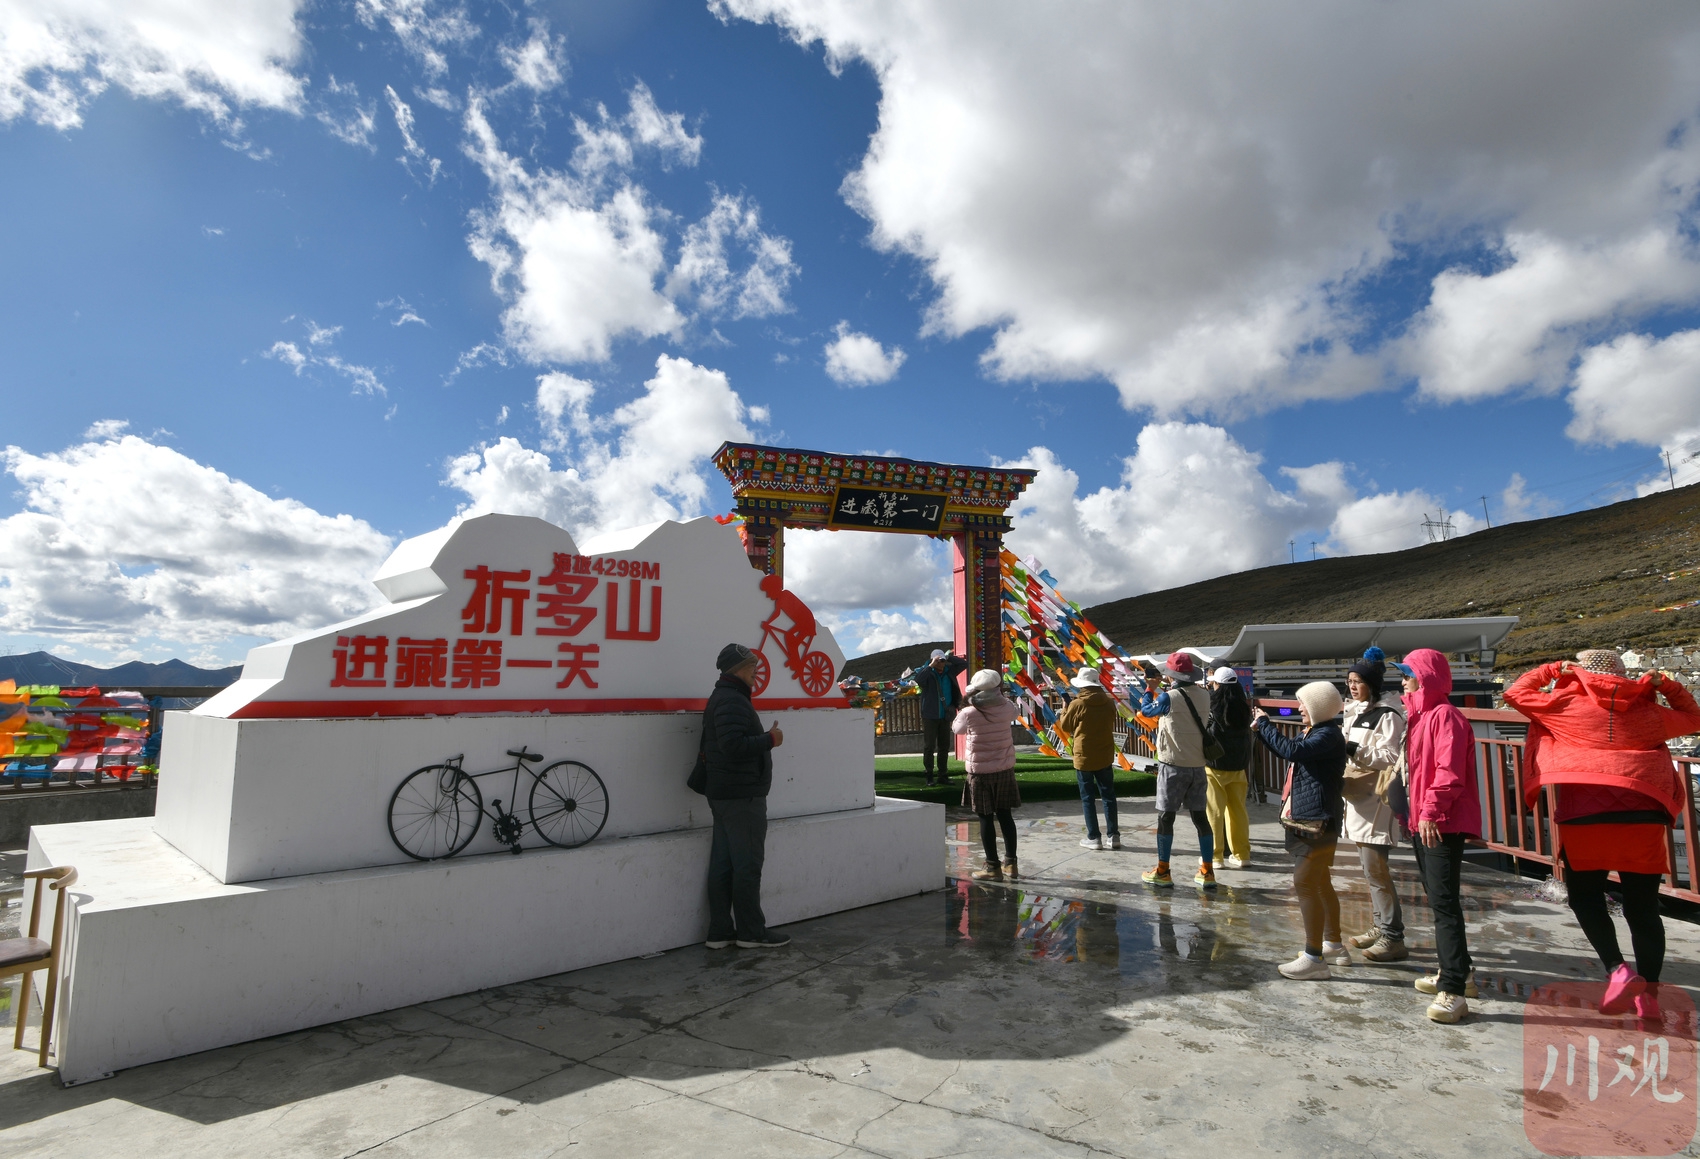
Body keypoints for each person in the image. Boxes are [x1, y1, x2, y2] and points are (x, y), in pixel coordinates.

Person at [1505, 649, 1700, 1018]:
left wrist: (1551, 669)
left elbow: (1515, 693)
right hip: (1643, 818)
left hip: (1585, 820)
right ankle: (1649, 998)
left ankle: (1618, 970)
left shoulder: (1564, 705)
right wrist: (1667, 685)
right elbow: (1694, 717)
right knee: (1644, 910)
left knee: (1585, 899)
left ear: (1578, 673)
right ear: (1623, 675)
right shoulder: (1648, 713)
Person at [1396, 648, 1482, 1023]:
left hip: (1441, 822)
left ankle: (1453, 990)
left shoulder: (1445, 716)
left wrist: (1429, 811)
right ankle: (1461, 971)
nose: (1403, 682)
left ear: (1425, 678)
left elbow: (1448, 772)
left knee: (1444, 905)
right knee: (1438, 899)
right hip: (1426, 820)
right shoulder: (1420, 716)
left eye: (1408, 675)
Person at [1253, 681, 1349, 979]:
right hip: (1310, 816)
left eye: (1303, 703)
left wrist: (1265, 724)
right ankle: (1333, 944)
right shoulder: (1317, 732)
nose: (1299, 708)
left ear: (1319, 707)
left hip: (1317, 819)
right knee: (1320, 882)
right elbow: (1288, 751)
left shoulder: (1327, 735)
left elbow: (1292, 751)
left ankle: (1314, 958)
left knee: (1305, 882)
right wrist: (1261, 730)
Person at [702, 642, 789, 950]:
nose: (756, 671)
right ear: (738, 669)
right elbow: (733, 745)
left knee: (724, 865)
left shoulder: (724, 696)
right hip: (742, 796)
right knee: (747, 866)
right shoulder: (732, 699)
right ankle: (751, 932)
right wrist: (770, 739)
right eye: (752, 666)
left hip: (725, 794)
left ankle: (720, 932)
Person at [1341, 649, 1409, 963]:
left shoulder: (1388, 715)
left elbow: (1390, 756)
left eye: (1358, 681)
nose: (1352, 686)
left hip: (1376, 800)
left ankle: (1393, 936)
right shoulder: (1358, 711)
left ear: (1372, 683)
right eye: (1350, 681)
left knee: (1377, 871)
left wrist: (1352, 748)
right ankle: (1380, 926)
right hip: (1359, 798)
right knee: (1371, 871)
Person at [1136, 652, 1217, 888]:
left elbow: (1146, 711)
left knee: (1166, 817)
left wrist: (1150, 689)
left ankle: (1163, 871)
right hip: (1198, 764)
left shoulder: (1168, 697)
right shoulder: (1204, 695)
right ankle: (1207, 871)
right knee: (1200, 818)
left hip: (1172, 765)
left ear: (1171, 675)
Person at [953, 669, 1022, 881]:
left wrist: (965, 703)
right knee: (1005, 815)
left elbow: (957, 729)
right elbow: (1015, 713)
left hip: (980, 772)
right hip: (1004, 768)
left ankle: (992, 866)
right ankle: (1011, 863)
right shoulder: (1007, 706)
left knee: (985, 818)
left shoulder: (969, 712)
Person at [1058, 668, 1121, 851]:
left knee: (1088, 798)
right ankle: (1113, 835)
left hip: (1084, 754)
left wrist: (1065, 708)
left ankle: (1094, 837)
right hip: (1105, 753)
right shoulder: (1109, 702)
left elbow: (1066, 726)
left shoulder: (1078, 703)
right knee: (1108, 796)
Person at [1204, 667, 1254, 870]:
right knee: (1238, 811)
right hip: (1239, 766)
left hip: (1215, 765)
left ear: (1217, 684)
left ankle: (1215, 857)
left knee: (1214, 812)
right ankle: (1242, 855)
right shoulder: (1243, 707)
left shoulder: (1212, 705)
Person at [918, 648, 968, 786]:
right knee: (929, 746)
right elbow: (919, 680)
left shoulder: (949, 671)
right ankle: (929, 775)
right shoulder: (927, 672)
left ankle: (942, 775)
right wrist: (931, 665)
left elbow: (964, 664)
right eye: (939, 661)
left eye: (943, 661)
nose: (941, 663)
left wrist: (948, 657)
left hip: (945, 715)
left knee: (944, 746)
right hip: (930, 715)